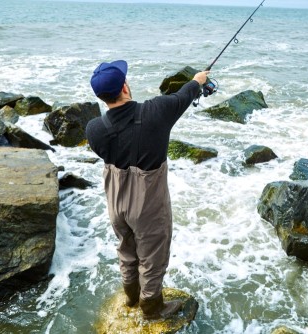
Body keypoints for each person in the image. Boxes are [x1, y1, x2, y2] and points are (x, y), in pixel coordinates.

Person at [86, 60, 209, 320]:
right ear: (125, 87)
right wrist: (198, 80)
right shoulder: (157, 111)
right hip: (148, 201)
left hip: (116, 199)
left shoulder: (94, 129)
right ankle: (152, 308)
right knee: (153, 255)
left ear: (100, 96)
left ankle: (131, 297)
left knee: (126, 248)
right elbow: (184, 94)